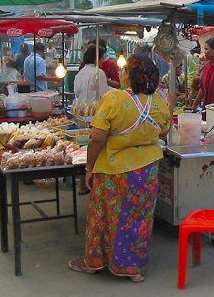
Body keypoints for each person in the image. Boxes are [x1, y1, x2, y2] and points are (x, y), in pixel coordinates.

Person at [68, 54, 171, 280]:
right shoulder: (159, 101)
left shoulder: (113, 99)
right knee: (139, 218)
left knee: (104, 216)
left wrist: (89, 168)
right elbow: (163, 130)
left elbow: (96, 138)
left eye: (125, 72)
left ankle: (95, 261)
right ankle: (134, 269)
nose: (122, 74)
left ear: (132, 76)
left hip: (115, 171)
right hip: (147, 170)